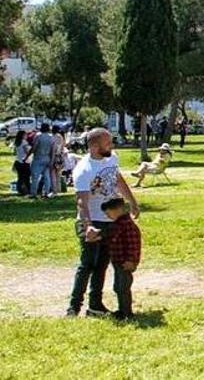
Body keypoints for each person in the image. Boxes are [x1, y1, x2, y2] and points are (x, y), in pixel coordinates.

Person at [69, 128, 140, 317]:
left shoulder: (111, 158)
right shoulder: (84, 170)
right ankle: (74, 307)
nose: (111, 145)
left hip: (111, 221)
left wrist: (132, 202)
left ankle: (95, 305)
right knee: (88, 265)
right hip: (92, 221)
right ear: (93, 146)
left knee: (102, 264)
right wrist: (88, 226)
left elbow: (118, 180)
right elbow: (81, 202)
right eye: (107, 143)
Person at [101, 196, 141, 321]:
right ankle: (122, 310)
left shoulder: (126, 225)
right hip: (118, 262)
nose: (108, 216)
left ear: (117, 210)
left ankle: (127, 313)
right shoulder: (118, 224)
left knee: (123, 287)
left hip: (125, 262)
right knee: (118, 287)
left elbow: (133, 245)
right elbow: (110, 236)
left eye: (108, 213)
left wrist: (132, 260)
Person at [30, 122, 56, 199]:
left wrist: (30, 153)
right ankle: (46, 192)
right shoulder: (51, 138)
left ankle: (34, 193)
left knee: (35, 176)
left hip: (38, 158)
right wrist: (52, 160)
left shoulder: (38, 136)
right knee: (46, 177)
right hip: (47, 158)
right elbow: (53, 151)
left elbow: (34, 147)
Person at [11, 129, 30, 196]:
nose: (27, 136)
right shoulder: (24, 142)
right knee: (26, 177)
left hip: (18, 161)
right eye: (26, 135)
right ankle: (27, 190)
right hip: (24, 161)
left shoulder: (17, 142)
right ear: (23, 135)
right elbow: (27, 151)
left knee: (20, 177)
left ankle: (20, 190)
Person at [50, 125, 67, 196]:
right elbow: (63, 146)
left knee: (53, 173)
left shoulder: (52, 137)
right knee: (58, 174)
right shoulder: (61, 137)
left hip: (54, 156)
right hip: (60, 156)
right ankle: (59, 189)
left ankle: (54, 190)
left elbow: (53, 148)